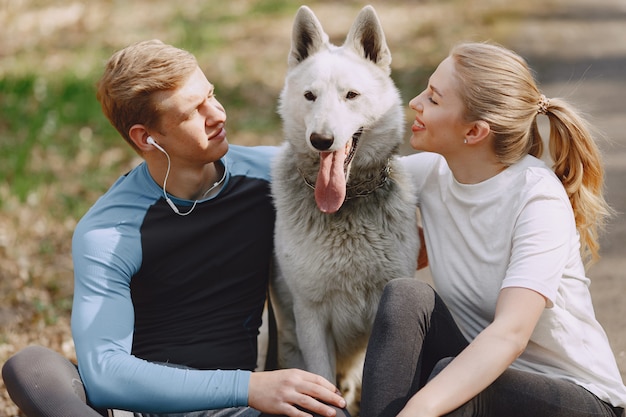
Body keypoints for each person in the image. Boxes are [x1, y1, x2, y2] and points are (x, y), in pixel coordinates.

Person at [2, 39, 346, 417]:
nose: (218, 114)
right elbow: (104, 373)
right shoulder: (109, 231)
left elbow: (381, 180)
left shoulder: (272, 176)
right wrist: (248, 386)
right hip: (147, 406)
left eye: (211, 95)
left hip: (239, 410)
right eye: (192, 112)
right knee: (33, 366)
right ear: (145, 137)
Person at [360, 42, 626, 417]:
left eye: (434, 100)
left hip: (578, 399)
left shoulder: (537, 198)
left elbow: (510, 335)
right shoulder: (432, 174)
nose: (415, 103)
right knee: (407, 297)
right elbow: (351, 177)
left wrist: (418, 409)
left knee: (450, 386)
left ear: (474, 132)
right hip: (485, 373)